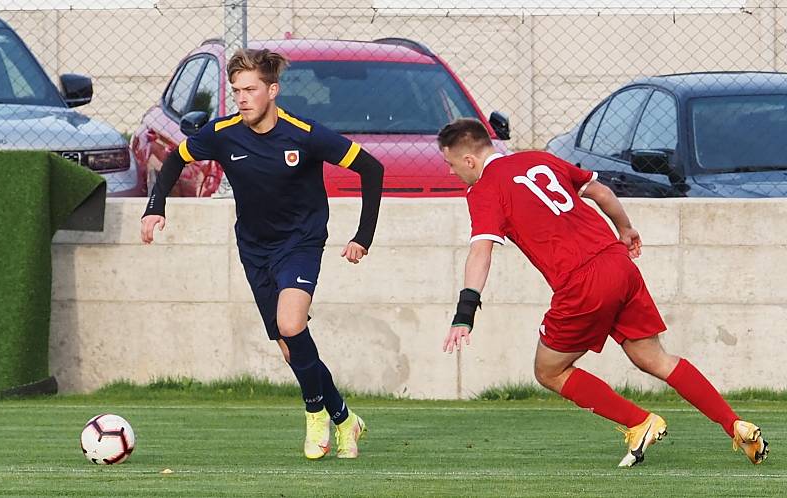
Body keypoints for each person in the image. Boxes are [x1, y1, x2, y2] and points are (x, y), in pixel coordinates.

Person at [438, 118, 768, 467]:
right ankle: (735, 424)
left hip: (582, 283)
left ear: (470, 160)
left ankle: (640, 422)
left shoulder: (485, 188)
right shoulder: (540, 159)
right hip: (619, 263)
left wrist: (465, 313)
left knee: (549, 371)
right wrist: (626, 230)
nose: (451, 172)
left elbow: (481, 251)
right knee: (653, 357)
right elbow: (601, 192)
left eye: (451, 164)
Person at [140, 48, 384, 460]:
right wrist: (154, 207)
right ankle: (345, 419)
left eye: (250, 89)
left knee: (291, 324)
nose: (242, 98)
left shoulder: (304, 133)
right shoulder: (222, 133)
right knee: (291, 347)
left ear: (272, 90)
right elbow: (174, 160)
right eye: (236, 91)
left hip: (301, 242)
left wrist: (363, 236)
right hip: (254, 248)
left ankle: (315, 416)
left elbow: (371, 168)